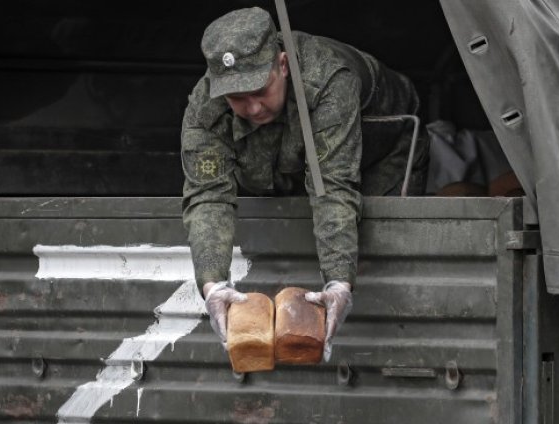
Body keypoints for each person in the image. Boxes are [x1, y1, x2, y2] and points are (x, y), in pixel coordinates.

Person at [181, 7, 428, 361]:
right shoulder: (206, 105)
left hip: (383, 151)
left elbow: (332, 185)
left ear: (282, 65)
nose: (251, 107)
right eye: (236, 97)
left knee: (369, 263)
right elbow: (208, 196)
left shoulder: (327, 79)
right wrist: (212, 284)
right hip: (286, 161)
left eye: (259, 89)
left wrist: (339, 280)